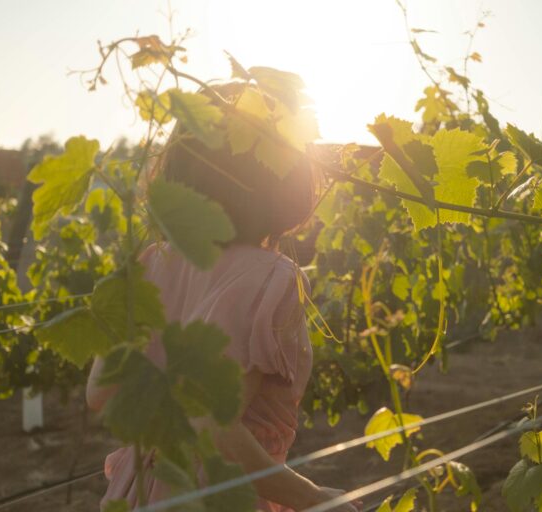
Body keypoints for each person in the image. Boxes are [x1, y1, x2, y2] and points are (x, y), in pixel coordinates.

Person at [85, 83, 361, 512]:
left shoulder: (151, 262)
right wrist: (314, 498)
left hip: (140, 491)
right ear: (285, 177)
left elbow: (99, 393)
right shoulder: (271, 278)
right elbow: (214, 429)